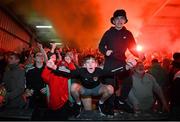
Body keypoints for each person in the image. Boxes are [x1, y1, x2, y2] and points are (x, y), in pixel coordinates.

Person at [46, 54, 134, 117]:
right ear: (84, 65)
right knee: (73, 87)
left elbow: (112, 72)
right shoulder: (81, 71)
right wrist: (54, 67)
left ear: (96, 64)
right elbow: (69, 72)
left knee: (110, 88)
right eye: (88, 63)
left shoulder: (99, 70)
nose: (90, 64)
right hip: (85, 90)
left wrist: (126, 67)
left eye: (92, 62)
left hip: (97, 89)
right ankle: (78, 104)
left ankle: (101, 103)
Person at [98, 9, 142, 114]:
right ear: (113, 21)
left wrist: (139, 55)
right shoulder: (108, 33)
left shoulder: (128, 33)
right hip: (110, 62)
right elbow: (100, 46)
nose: (119, 21)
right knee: (110, 86)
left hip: (122, 61)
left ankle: (121, 102)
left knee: (128, 82)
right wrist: (105, 51)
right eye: (117, 19)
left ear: (125, 20)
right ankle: (110, 106)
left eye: (122, 18)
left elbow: (133, 48)